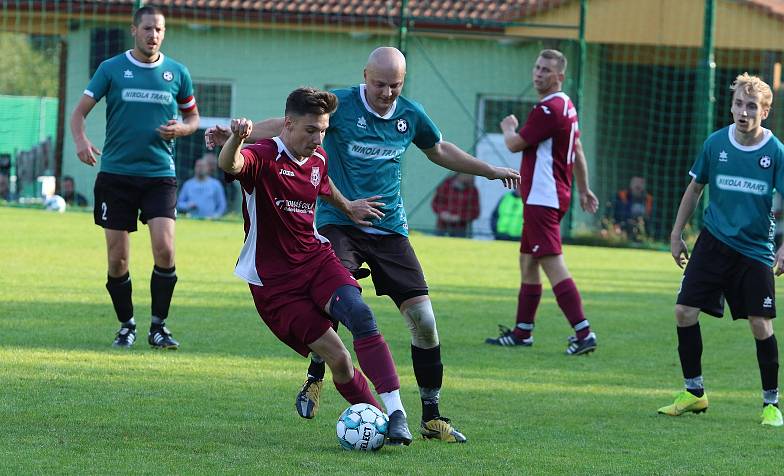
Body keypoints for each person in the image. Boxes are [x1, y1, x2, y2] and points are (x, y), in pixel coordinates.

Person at [206, 46, 520, 443]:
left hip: (386, 228)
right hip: (334, 232)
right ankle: (321, 374)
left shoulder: (405, 116)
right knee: (340, 325)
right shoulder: (329, 113)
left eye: (395, 85)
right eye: (380, 84)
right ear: (365, 76)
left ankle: (423, 416)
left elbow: (438, 149)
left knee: (420, 320)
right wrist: (235, 138)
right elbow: (270, 138)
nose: (387, 92)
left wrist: (488, 170)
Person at [218, 87, 412, 445]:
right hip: (275, 285)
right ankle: (380, 425)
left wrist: (348, 206)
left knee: (361, 315)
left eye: (323, 130)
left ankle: (396, 414)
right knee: (339, 357)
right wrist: (235, 139)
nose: (318, 138)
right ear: (288, 124)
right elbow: (230, 164)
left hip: (316, 259)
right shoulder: (262, 156)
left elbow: (322, 184)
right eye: (311, 130)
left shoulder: (318, 157)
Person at [658, 73, 784, 427]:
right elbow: (694, 190)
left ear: (764, 112)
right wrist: (676, 233)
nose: (743, 111)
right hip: (713, 242)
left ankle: (772, 404)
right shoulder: (716, 144)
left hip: (754, 251)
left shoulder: (775, 153)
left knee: (759, 324)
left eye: (752, 106)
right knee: (683, 311)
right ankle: (694, 393)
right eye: (738, 104)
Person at [69, 6, 199, 349]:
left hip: (160, 174)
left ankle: (159, 327)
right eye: (147, 29)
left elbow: (193, 117)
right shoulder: (111, 69)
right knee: (118, 259)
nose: (153, 35)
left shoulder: (177, 72)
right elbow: (79, 113)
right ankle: (126, 325)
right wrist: (81, 141)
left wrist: (182, 129)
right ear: (134, 30)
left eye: (159, 29)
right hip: (116, 175)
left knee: (165, 249)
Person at [485, 49, 600, 355]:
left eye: (546, 70)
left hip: (542, 198)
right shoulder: (567, 106)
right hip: (551, 195)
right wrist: (584, 189)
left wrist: (508, 126)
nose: (538, 73)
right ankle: (523, 332)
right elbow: (577, 150)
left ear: (559, 76)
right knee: (527, 261)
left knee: (552, 264)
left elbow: (513, 144)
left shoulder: (549, 109)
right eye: (537, 67)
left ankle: (584, 333)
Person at [431, 173, 480, 237]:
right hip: (442, 227)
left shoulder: (473, 190)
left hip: (461, 229)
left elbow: (475, 212)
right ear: (459, 174)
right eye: (469, 175)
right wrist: (442, 213)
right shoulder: (445, 185)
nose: (472, 178)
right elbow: (435, 203)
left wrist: (460, 217)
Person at [612, 175, 652, 240]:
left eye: (641, 183)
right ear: (631, 184)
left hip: (643, 229)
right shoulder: (619, 196)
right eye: (635, 182)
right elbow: (610, 216)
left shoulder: (649, 199)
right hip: (623, 227)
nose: (638, 185)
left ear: (644, 186)